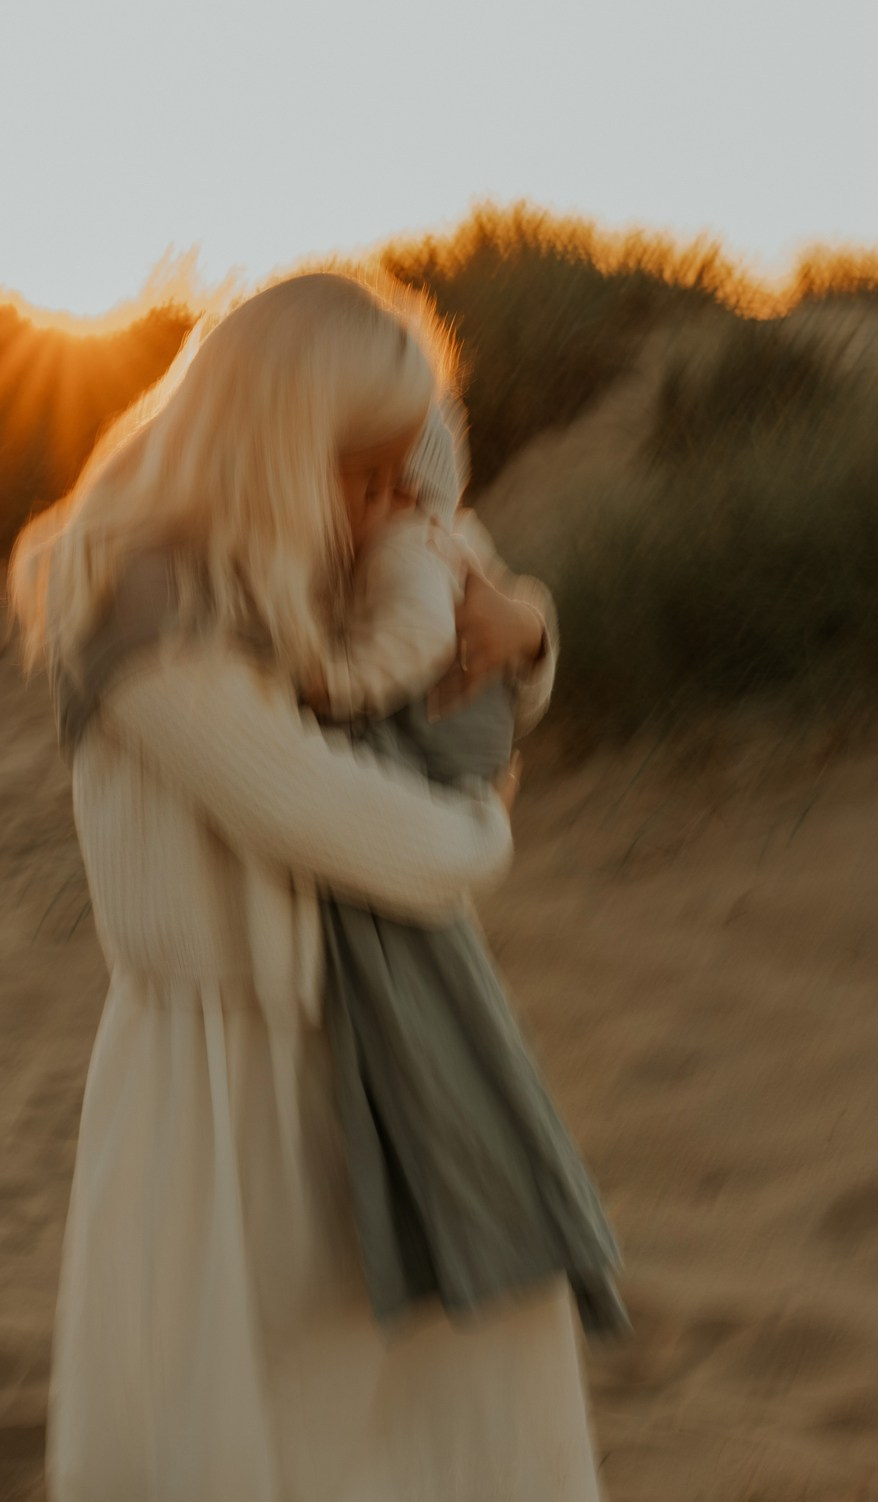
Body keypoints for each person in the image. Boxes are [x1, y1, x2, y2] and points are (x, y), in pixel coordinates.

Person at [9, 271, 607, 1502]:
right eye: (363, 457)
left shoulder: (325, 562)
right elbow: (359, 824)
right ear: (274, 434)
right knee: (239, 1470)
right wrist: (481, 834)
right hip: (223, 1082)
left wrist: (518, 630)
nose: (397, 489)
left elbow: (461, 656)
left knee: (382, 1440)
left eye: (408, 456)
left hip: (372, 1054)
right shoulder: (148, 599)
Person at [302, 401, 629, 1343]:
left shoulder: (408, 548)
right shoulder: (439, 538)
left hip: (437, 768)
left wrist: (338, 685)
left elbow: (424, 643)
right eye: (366, 484)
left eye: (395, 486)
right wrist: (527, 631)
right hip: (438, 787)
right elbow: (515, 623)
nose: (385, 503)